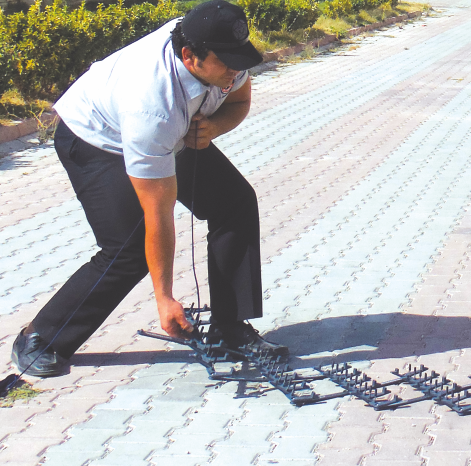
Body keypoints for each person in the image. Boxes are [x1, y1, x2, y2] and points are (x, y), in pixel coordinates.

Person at [11, 0, 287, 378]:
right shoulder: (153, 106)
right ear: (190, 57)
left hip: (172, 131)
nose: (235, 71)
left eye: (240, 60)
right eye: (226, 64)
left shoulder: (221, 54)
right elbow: (159, 213)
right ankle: (41, 337)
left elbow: (239, 100)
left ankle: (231, 329)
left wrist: (215, 128)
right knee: (129, 245)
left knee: (234, 203)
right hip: (94, 138)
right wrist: (165, 299)